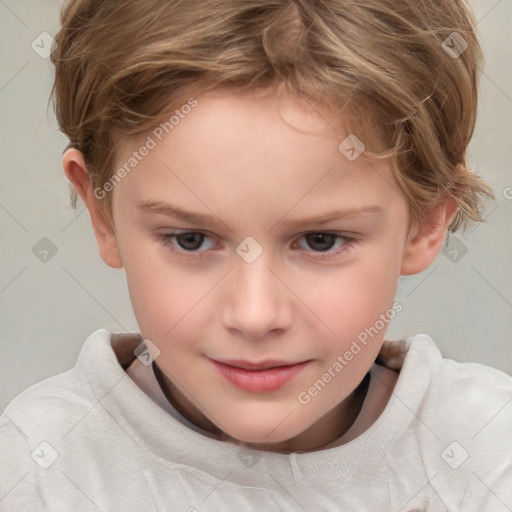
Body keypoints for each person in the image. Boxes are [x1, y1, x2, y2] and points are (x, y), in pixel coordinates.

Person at [1, 0, 510, 510]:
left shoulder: (487, 456)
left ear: (426, 220)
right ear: (101, 210)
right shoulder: (39, 471)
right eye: (190, 240)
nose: (255, 315)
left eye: (320, 241)